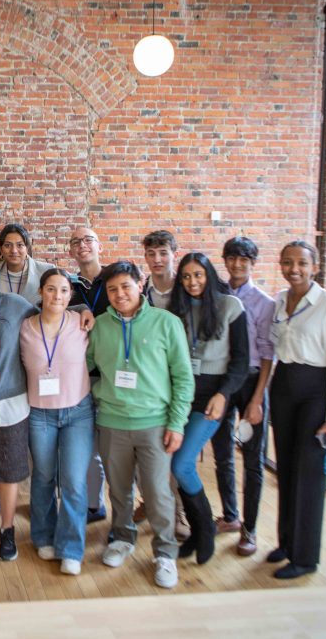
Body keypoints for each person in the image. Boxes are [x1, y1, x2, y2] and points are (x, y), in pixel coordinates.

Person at [0, 259, 92, 560]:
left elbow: (51, 315)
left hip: (14, 404)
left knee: (10, 471)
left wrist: (81, 309)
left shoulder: (14, 305)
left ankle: (7, 530)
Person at [86, 261, 193, 589]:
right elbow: (82, 366)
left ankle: (164, 552)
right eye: (113, 289)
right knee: (119, 490)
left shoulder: (166, 323)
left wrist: (176, 423)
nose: (119, 294)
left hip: (155, 424)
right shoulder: (99, 326)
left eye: (126, 287)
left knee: (158, 492)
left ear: (140, 284)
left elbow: (183, 378)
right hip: (112, 422)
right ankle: (122, 538)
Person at [268, 241, 326, 580]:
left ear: (314, 267)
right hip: (284, 384)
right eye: (287, 262)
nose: (294, 269)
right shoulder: (278, 300)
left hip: (315, 390)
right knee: (286, 468)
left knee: (309, 473)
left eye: (301, 262)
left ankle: (305, 557)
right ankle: (287, 542)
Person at [167, 253, 249, 565]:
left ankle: (204, 533)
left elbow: (241, 360)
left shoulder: (230, 306)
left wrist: (224, 395)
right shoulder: (176, 310)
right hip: (182, 396)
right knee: (177, 463)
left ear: (209, 275)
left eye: (198, 275)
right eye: (186, 276)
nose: (192, 282)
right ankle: (198, 536)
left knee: (182, 465)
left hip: (213, 400)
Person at [20, 268, 94, 575]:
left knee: (75, 482)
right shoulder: (24, 327)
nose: (57, 296)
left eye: (64, 291)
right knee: (44, 478)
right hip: (39, 414)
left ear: (71, 295)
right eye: (51, 289)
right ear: (41, 292)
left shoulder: (83, 323)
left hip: (78, 411)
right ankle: (43, 536)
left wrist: (84, 309)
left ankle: (71, 548)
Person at [210, 236, 274, 556]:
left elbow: (267, 355)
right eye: (232, 258)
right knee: (222, 454)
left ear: (253, 262)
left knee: (252, 461)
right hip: (223, 380)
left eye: (244, 259)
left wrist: (257, 399)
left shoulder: (264, 302)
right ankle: (231, 516)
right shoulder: (217, 294)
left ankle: (250, 529)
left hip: (251, 382)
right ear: (225, 260)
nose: (237, 264)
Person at [138, 229, 187, 538]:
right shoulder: (143, 292)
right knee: (142, 449)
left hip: (176, 380)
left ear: (174, 255)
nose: (157, 260)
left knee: (170, 454)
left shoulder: (187, 290)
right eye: (151, 254)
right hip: (148, 381)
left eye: (163, 253)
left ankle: (177, 513)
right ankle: (151, 501)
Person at [66, 227, 109, 525]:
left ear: (99, 246)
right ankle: (95, 503)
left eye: (88, 240)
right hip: (81, 374)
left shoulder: (118, 279)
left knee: (117, 445)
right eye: (76, 242)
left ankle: (130, 502)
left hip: (115, 375)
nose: (82, 245)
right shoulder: (69, 286)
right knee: (90, 446)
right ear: (71, 251)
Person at [0, 223, 55, 307]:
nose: (14, 250)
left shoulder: (46, 271)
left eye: (20, 245)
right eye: (7, 245)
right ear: (1, 249)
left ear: (27, 248)